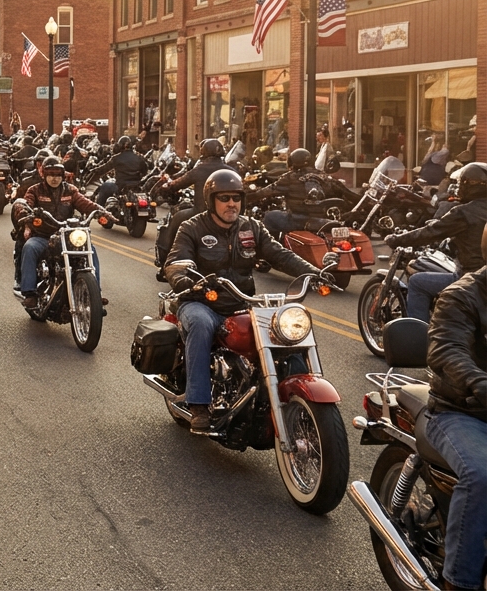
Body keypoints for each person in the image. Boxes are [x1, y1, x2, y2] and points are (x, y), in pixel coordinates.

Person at [164, 170, 320, 432]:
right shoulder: (192, 228)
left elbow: (279, 255)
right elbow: (175, 262)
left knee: (288, 328)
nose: (231, 203)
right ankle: (199, 404)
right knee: (201, 324)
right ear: (211, 200)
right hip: (202, 301)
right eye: (224, 198)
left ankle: (296, 391)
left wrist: (313, 272)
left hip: (243, 303)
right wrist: (185, 280)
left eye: (236, 198)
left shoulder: (251, 227)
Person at [424, 224, 487, 591]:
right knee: (483, 475)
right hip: (460, 410)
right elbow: (446, 349)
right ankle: (458, 581)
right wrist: (479, 381)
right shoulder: (462, 295)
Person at [386, 162, 487, 321]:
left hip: (470, 277)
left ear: (471, 185)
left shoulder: (463, 212)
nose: (459, 187)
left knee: (417, 282)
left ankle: (417, 339)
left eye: (463, 183)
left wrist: (396, 239)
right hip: (483, 274)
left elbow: (430, 233)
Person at [13, 156, 108, 307]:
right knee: (29, 247)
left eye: (58, 174)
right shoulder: (35, 190)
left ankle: (95, 291)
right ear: (44, 174)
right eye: (51, 174)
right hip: (43, 236)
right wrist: (24, 212)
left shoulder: (70, 190)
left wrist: (103, 212)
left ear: (62, 175)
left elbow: (86, 204)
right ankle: (29, 292)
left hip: (67, 235)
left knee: (90, 249)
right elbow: (25, 204)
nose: (54, 178)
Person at [153, 138, 235, 276]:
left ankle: (165, 262)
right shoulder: (231, 171)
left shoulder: (199, 169)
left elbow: (178, 183)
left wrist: (167, 186)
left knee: (176, 218)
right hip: (228, 216)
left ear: (204, 152)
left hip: (201, 213)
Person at [90, 135, 147, 206]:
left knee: (104, 187)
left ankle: (99, 211)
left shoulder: (116, 158)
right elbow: (145, 171)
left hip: (120, 186)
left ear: (120, 146)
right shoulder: (139, 157)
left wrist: (93, 170)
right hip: (136, 186)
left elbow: (104, 169)